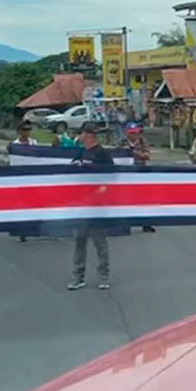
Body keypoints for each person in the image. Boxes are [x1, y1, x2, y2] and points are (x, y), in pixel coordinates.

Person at [69, 122, 112, 290]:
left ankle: (104, 276)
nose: (79, 137)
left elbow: (111, 177)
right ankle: (78, 277)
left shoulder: (103, 154)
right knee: (79, 241)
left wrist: (101, 191)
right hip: (81, 206)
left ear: (87, 135)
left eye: (81, 134)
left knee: (100, 242)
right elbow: (69, 172)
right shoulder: (80, 153)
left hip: (97, 206)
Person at [125, 122, 156, 233]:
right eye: (131, 133)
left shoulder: (143, 141)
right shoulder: (121, 142)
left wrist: (134, 153)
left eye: (135, 133)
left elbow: (147, 156)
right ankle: (125, 225)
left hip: (140, 173)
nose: (133, 135)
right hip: (126, 175)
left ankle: (146, 224)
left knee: (144, 200)